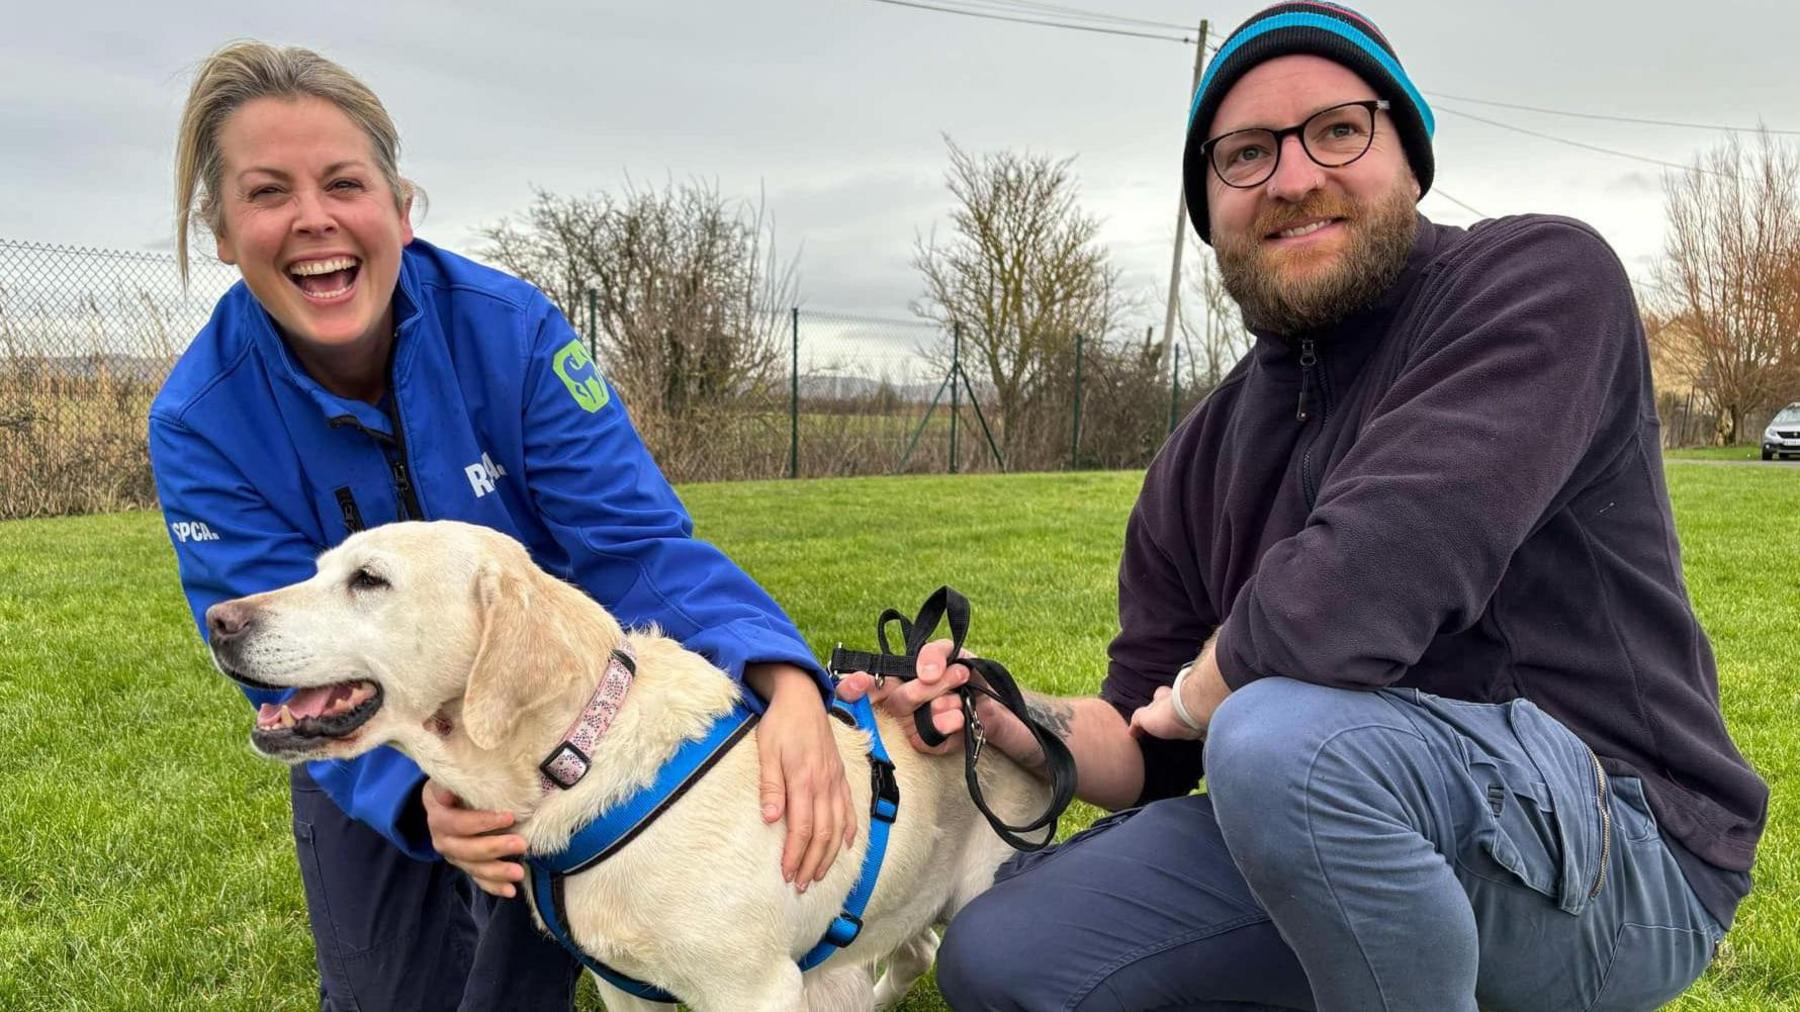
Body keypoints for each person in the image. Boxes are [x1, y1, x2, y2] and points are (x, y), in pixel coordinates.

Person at [837, 4, 1768, 1009]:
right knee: (1008, 951)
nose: (1290, 177)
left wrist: (1206, 694)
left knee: (1282, 738)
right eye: (1244, 154)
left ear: (1409, 158)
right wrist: (1011, 714)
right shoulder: (1199, 457)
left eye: (1336, 130)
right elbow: (1147, 737)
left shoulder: (1537, 283)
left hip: (1626, 852)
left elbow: (1371, 578)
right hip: (1341, 818)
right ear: (1209, 204)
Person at [151, 41, 854, 1012]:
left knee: (522, 973)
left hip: (558, 711)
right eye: (268, 192)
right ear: (222, 231)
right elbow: (274, 636)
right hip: (377, 732)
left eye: (344, 182)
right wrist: (416, 799)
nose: (313, 219)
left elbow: (636, 543)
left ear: (400, 205)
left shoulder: (510, 331)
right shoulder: (200, 417)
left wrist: (780, 675)